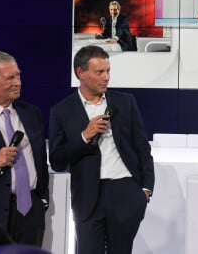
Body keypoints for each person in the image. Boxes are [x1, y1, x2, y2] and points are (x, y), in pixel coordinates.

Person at [48, 45, 154, 254]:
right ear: (81, 73)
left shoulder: (125, 102)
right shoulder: (61, 111)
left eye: (108, 71)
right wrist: (84, 136)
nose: (106, 77)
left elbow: (142, 147)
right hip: (87, 196)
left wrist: (145, 189)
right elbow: (58, 161)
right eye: (99, 72)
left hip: (125, 191)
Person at [0, 51, 49, 246]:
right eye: (10, 78)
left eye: (18, 75)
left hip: (30, 213)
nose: (18, 82)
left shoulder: (31, 113)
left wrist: (41, 200)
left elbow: (39, 160)